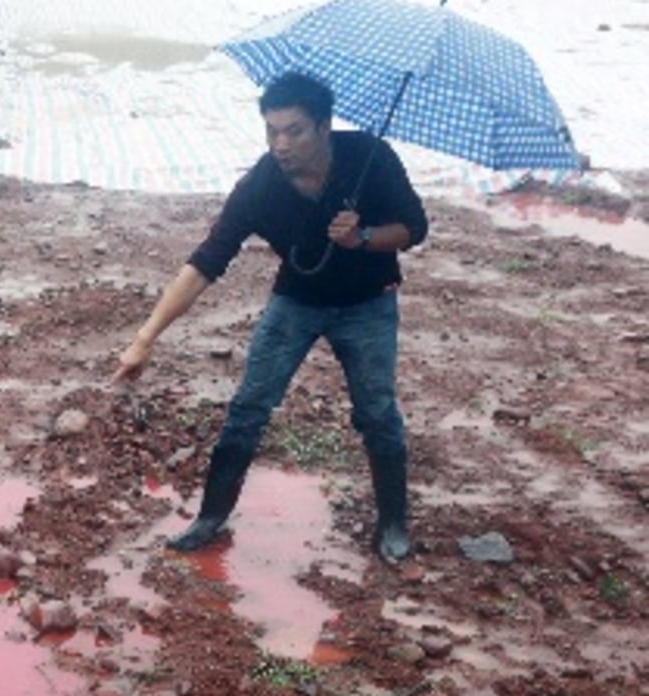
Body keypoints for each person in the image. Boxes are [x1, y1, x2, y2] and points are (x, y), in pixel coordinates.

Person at [115, 71, 429, 563]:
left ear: (324, 128)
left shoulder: (371, 157)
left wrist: (363, 237)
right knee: (248, 408)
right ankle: (211, 517)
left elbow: (414, 228)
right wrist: (146, 338)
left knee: (377, 413)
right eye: (271, 131)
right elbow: (205, 262)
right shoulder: (261, 184)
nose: (281, 144)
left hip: (368, 303)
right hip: (295, 302)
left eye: (294, 131)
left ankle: (392, 524)